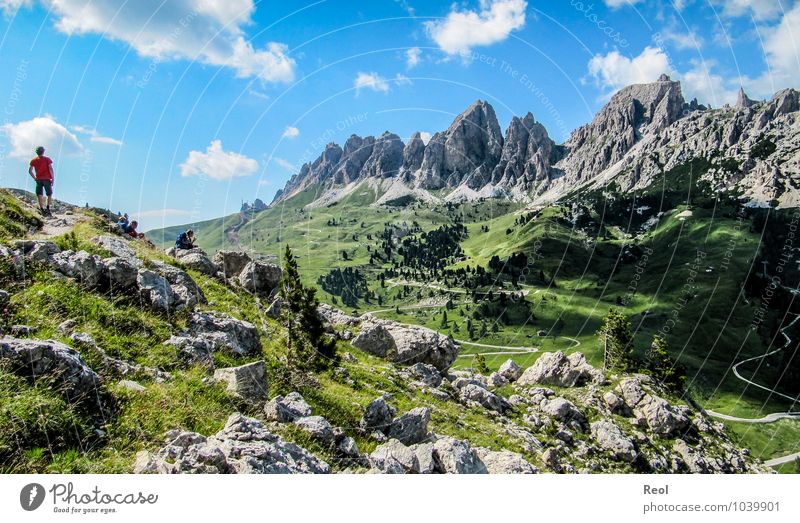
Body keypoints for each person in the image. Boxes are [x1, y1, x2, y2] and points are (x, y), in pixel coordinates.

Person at [28, 146, 54, 216]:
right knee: (49, 194)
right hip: (47, 179)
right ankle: (48, 209)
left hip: (38, 179)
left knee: (39, 194)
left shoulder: (33, 160)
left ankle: (41, 209)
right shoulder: (47, 159)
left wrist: (35, 178)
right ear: (43, 151)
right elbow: (50, 169)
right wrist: (52, 179)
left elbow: (30, 171)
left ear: (37, 152)